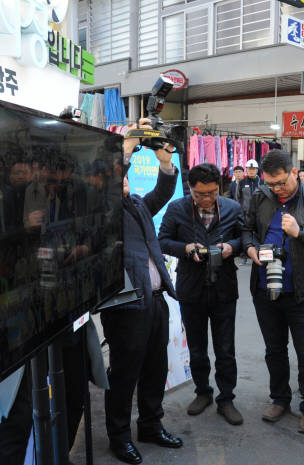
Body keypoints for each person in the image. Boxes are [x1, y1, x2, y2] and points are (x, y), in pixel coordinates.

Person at [242, 149, 304, 434]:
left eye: (281, 182)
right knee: (274, 349)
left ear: (294, 173)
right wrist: (250, 248)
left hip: (302, 291)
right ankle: (280, 398)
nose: (276, 189)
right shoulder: (261, 196)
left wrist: (300, 232)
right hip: (265, 288)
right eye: (271, 183)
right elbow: (246, 229)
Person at [102, 124, 182, 465]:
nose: (124, 182)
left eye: (123, 178)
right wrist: (130, 144)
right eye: (117, 177)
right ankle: (118, 437)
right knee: (124, 373)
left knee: (155, 365)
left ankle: (151, 424)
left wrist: (165, 163)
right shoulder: (100, 212)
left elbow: (162, 194)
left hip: (155, 300)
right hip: (125, 304)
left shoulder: (135, 204)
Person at [158, 163, 244, 426]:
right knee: (196, 348)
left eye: (212, 193)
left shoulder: (232, 208)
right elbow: (162, 240)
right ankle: (203, 392)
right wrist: (186, 248)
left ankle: (226, 398)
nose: (206, 199)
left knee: (225, 348)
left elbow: (244, 238)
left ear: (219, 188)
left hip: (224, 289)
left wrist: (231, 246)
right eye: (200, 194)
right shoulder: (177, 209)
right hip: (191, 290)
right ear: (190, 189)